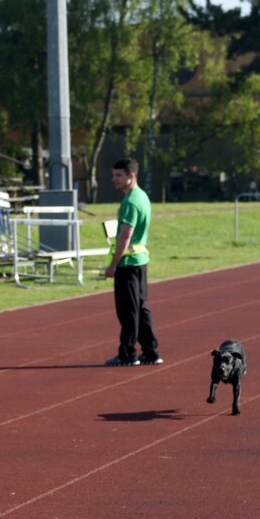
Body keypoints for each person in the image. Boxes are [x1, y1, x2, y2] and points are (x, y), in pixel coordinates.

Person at [104, 157, 162, 367]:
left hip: (128, 264)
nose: (114, 179)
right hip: (140, 261)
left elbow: (125, 236)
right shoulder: (143, 197)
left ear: (131, 176)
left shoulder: (130, 201)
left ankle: (127, 353)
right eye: (113, 175)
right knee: (141, 307)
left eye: (119, 175)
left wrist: (113, 264)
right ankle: (151, 351)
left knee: (128, 310)